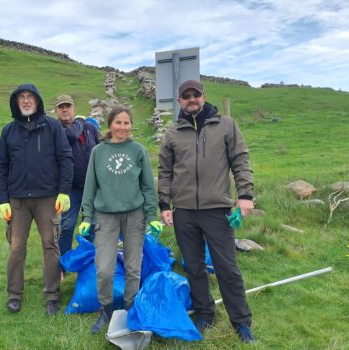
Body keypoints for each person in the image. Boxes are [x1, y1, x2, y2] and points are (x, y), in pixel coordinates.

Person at [157, 80, 256, 343]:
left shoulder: (225, 125)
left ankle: (241, 322)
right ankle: (204, 313)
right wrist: (164, 205)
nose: (191, 99)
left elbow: (241, 160)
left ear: (204, 96)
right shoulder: (173, 132)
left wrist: (245, 196)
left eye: (195, 95)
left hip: (217, 210)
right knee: (194, 267)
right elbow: (165, 171)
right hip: (184, 212)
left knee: (227, 267)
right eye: (185, 96)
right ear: (179, 101)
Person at [79, 106, 162, 334]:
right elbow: (90, 186)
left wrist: (152, 215)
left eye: (127, 123)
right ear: (110, 125)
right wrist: (87, 216)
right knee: (104, 268)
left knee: (133, 266)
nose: (123, 127)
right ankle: (105, 309)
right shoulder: (98, 151)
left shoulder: (138, 150)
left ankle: (130, 307)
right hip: (105, 216)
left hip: (134, 214)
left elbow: (147, 185)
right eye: (118, 123)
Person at [0, 83, 74, 316]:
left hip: (48, 198)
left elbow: (65, 158)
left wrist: (64, 191)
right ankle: (14, 294)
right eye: (22, 98)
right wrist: (2, 200)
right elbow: (1, 167)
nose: (26, 101)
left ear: (38, 101)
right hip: (17, 200)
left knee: (50, 245)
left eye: (30, 97)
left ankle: (52, 294)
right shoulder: (8, 131)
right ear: (16, 102)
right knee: (16, 246)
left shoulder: (52, 127)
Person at [53, 95, 100, 260]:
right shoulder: (56, 130)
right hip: (69, 188)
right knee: (67, 226)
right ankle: (62, 265)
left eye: (68, 106)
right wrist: (80, 121)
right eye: (61, 107)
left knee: (92, 225)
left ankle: (86, 262)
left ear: (74, 109)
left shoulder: (90, 128)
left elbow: (100, 149)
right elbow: (71, 135)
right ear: (56, 111)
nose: (65, 110)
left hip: (92, 186)